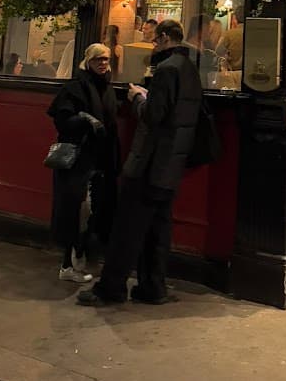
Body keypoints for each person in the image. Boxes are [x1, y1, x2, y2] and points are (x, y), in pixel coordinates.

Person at [77, 19, 202, 306]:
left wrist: (137, 97)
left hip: (149, 161)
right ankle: (153, 287)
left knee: (128, 228)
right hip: (172, 163)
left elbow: (154, 115)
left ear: (168, 37)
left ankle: (111, 288)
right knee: (158, 228)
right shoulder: (190, 69)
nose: (154, 44)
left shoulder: (167, 70)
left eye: (157, 39)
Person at [47, 43, 120, 283]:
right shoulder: (75, 88)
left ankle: (78, 261)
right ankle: (68, 265)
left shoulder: (106, 89)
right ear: (87, 61)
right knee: (76, 211)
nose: (103, 63)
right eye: (98, 59)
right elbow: (63, 120)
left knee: (88, 213)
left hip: (98, 162)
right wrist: (86, 120)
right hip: (78, 161)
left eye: (106, 59)